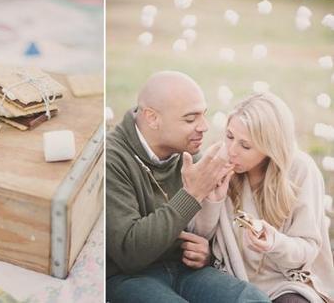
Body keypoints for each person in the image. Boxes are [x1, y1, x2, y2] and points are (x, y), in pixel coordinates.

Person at [106, 71, 270, 303]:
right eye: (190, 119)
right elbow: (129, 253)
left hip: (184, 271)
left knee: (251, 298)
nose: (204, 126)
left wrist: (206, 252)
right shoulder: (112, 159)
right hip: (127, 278)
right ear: (152, 118)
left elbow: (204, 231)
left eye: (204, 115)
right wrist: (192, 194)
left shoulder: (188, 154)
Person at [191, 92, 334, 303]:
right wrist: (213, 201)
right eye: (229, 136)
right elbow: (198, 238)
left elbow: (307, 250)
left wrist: (274, 242)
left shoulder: (300, 170)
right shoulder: (219, 163)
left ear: (270, 147)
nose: (231, 150)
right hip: (230, 278)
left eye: (245, 145)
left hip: (285, 282)